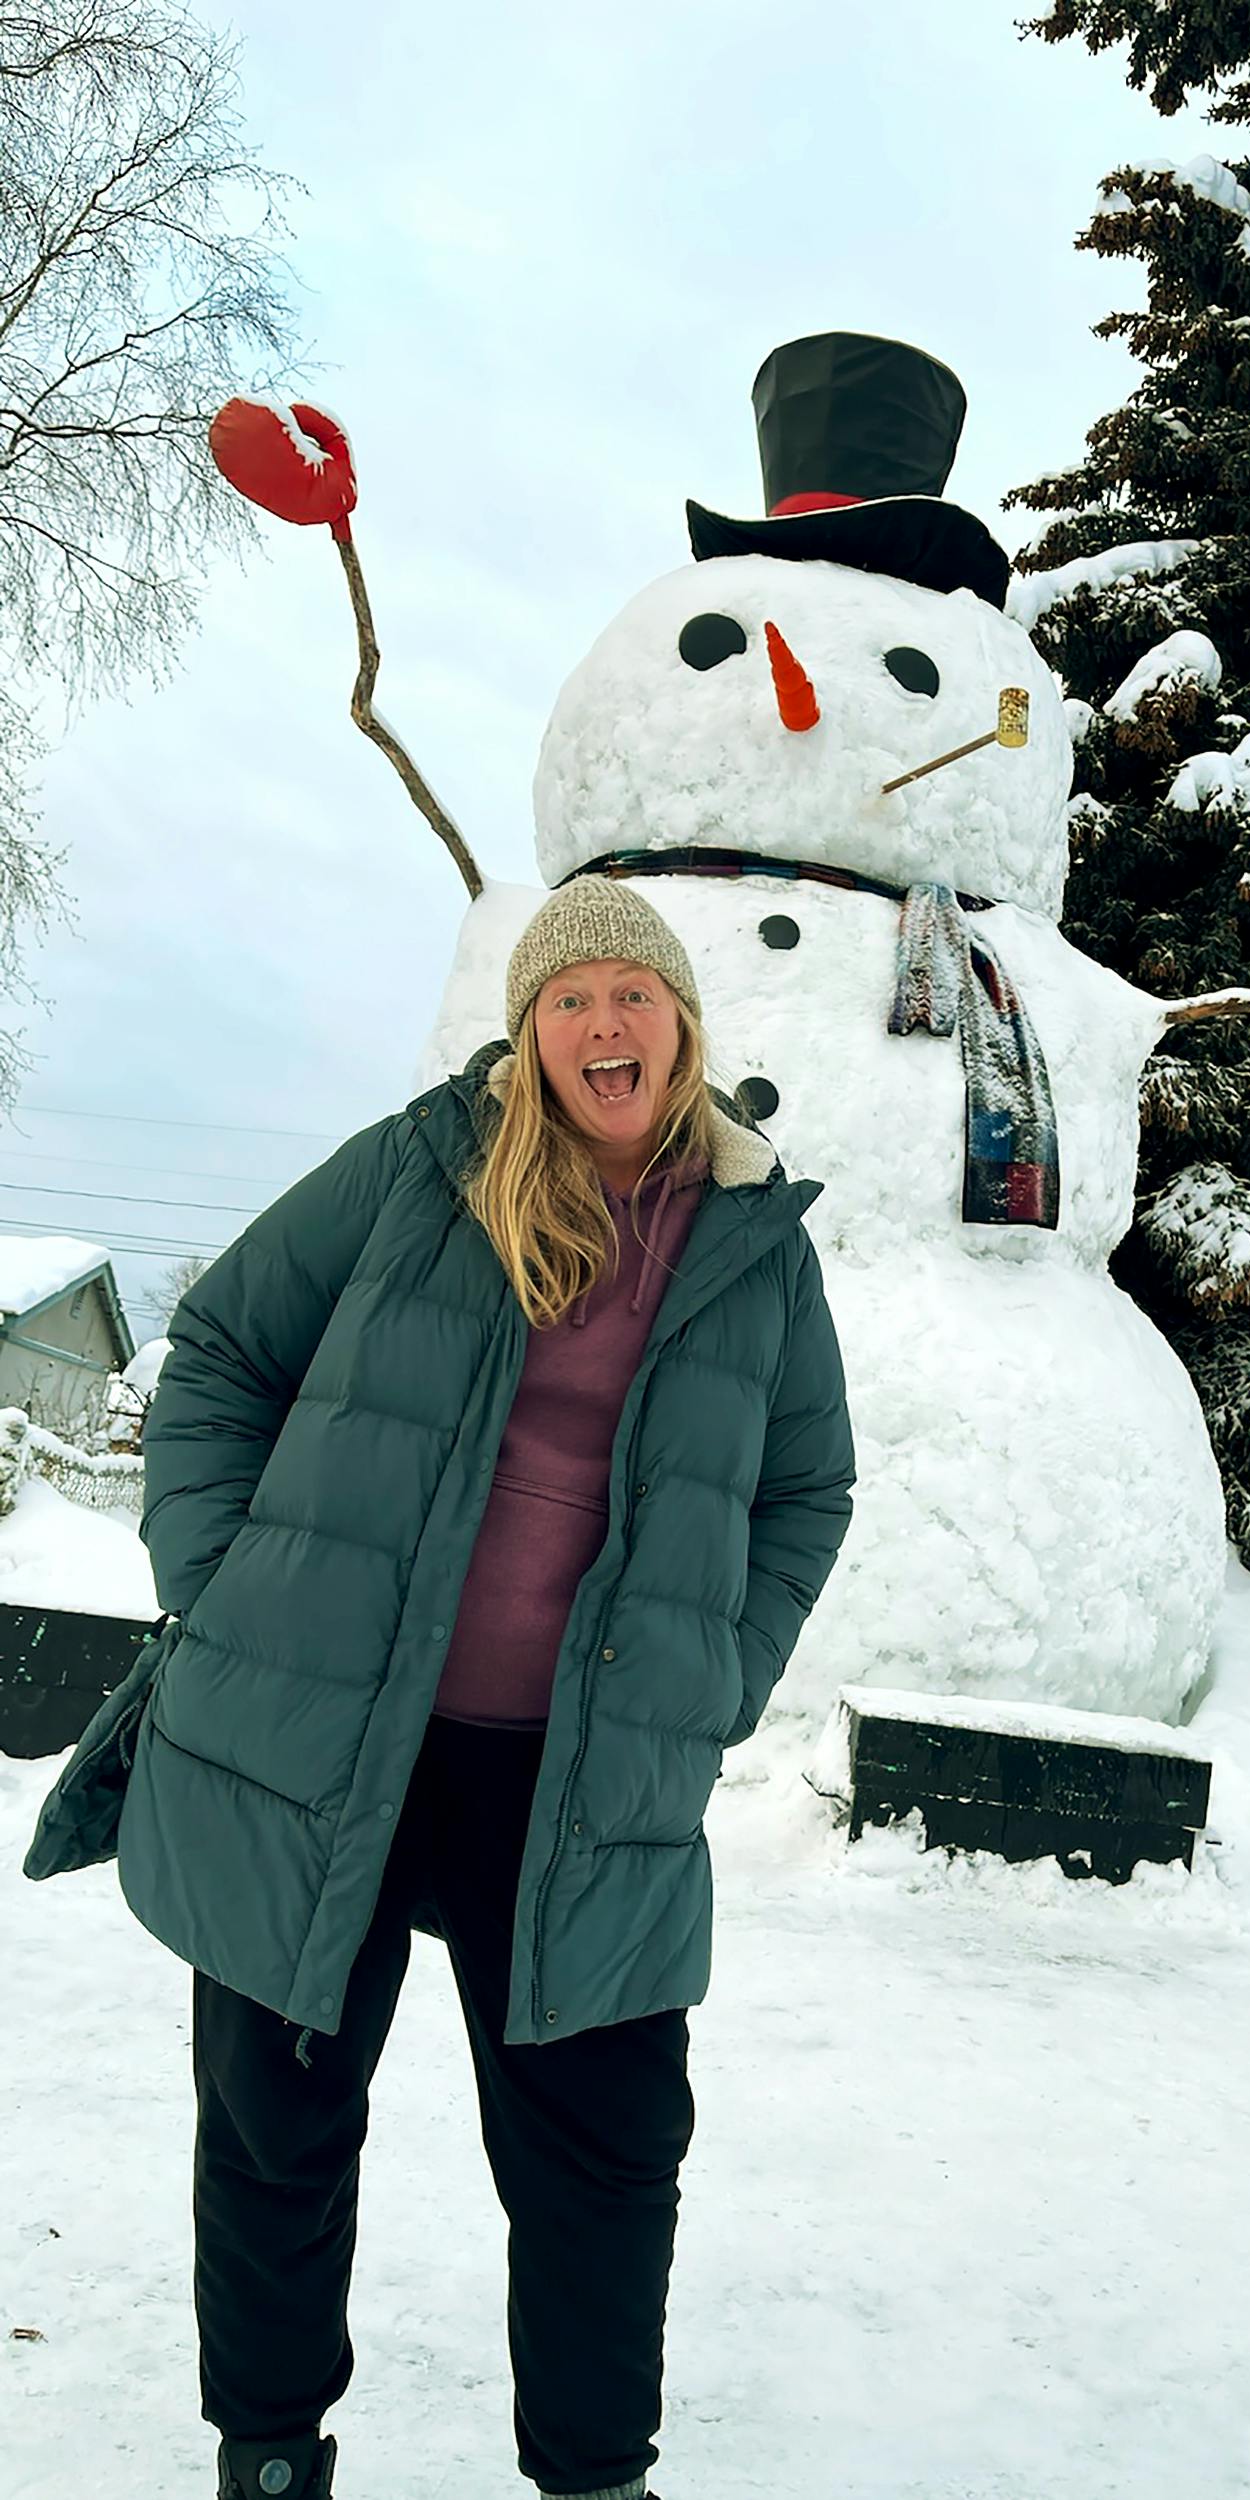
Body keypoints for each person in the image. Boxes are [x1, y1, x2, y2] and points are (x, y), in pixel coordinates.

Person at [23, 876, 857, 2500]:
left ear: (683, 1022)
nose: (603, 1024)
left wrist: (720, 1677)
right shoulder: (423, 1173)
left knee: (607, 2157)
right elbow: (221, 1357)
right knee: (277, 2133)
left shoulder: (756, 1245)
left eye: (633, 993)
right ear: (530, 1032)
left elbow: (805, 1493)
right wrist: (225, 1587)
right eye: (569, 998)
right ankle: (268, 2465)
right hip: (325, 1746)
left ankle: (597, 2478)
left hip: (581, 1779)